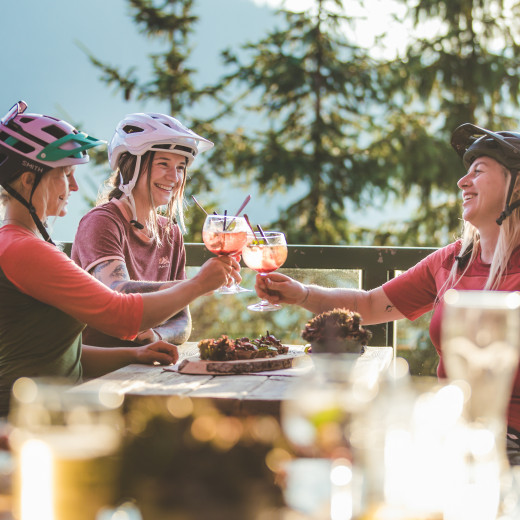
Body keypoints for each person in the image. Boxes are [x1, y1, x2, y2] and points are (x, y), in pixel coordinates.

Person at [254, 123, 520, 463]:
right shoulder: (455, 259)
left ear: (516, 185)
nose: (462, 182)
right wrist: (301, 293)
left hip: (505, 442)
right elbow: (369, 304)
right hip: (451, 430)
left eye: (478, 172)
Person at [0, 101, 240, 416]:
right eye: (66, 174)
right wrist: (199, 283)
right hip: (23, 418)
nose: (73, 186)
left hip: (50, 407)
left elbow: (62, 354)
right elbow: (121, 315)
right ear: (29, 181)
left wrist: (133, 355)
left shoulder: (24, 243)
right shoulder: (23, 249)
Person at [71, 112, 213, 348]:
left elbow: (182, 320)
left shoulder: (171, 232)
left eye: (180, 167)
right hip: (99, 369)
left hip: (147, 364)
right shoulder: (102, 222)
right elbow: (118, 294)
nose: (174, 177)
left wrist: (158, 336)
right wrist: (197, 284)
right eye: (163, 164)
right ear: (131, 167)